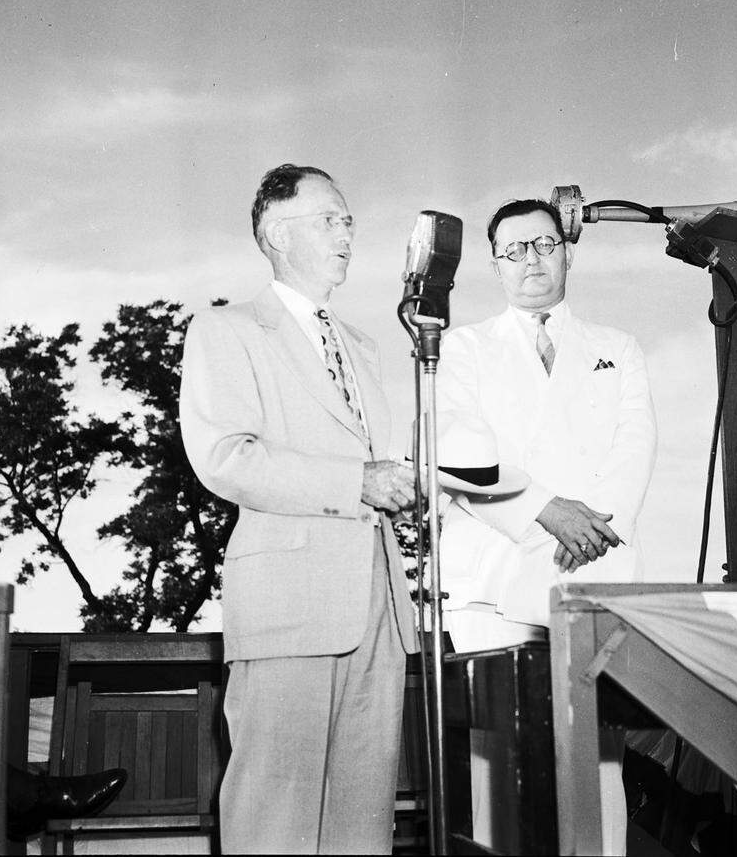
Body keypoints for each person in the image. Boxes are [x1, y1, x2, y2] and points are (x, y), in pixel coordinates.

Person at [179, 164, 419, 854]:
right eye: (330, 219)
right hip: (288, 605)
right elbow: (226, 456)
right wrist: (358, 482)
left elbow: (373, 469)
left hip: (379, 608)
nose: (348, 232)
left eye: (348, 220)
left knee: (362, 822)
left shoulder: (368, 347)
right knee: (275, 820)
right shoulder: (225, 330)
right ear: (278, 234)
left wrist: (403, 489)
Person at [436, 198, 658, 854]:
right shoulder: (461, 347)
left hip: (591, 572)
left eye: (544, 245)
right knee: (494, 772)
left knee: (596, 760)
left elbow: (633, 449)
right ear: (497, 265)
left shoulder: (618, 349)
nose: (532, 260)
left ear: (566, 250)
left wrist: (585, 536)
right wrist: (545, 513)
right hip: (492, 576)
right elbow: (455, 446)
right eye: (515, 250)